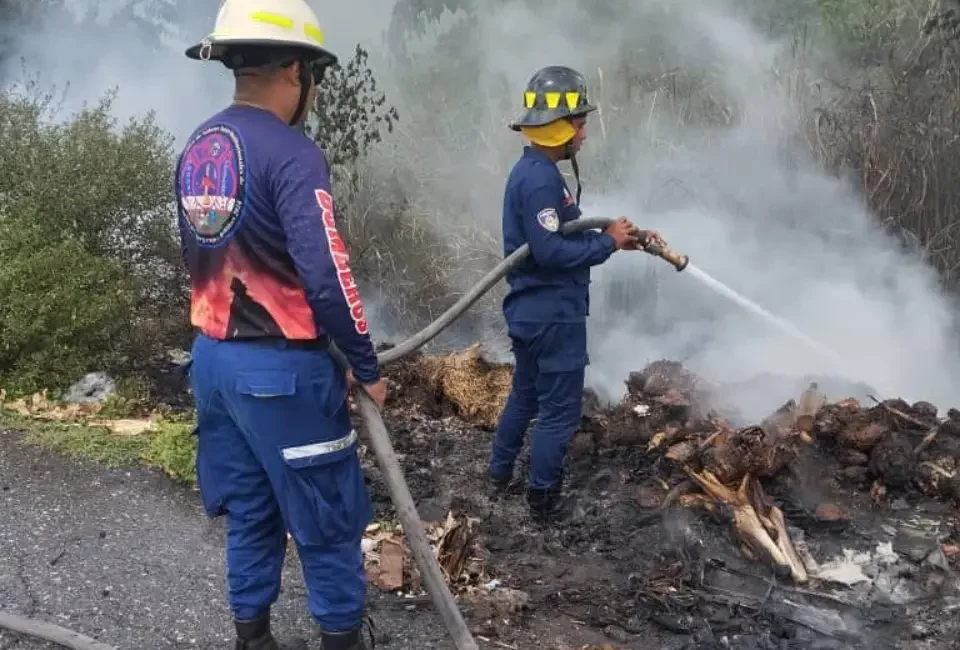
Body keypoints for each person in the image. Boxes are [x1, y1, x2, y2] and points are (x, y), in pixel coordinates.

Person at [176, 1, 385, 649]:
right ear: (296, 69)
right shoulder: (294, 154)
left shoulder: (201, 144)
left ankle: (253, 638)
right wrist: (364, 363)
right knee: (328, 519)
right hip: (281, 374)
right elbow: (326, 274)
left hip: (213, 362)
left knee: (250, 508)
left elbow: (198, 254)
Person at [487, 65, 662, 522]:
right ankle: (543, 503)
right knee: (560, 412)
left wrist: (618, 237)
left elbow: (561, 233)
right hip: (553, 315)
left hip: (531, 312)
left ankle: (497, 476)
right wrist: (607, 245)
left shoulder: (532, 171)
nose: (584, 134)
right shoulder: (542, 179)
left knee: (525, 395)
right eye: (580, 125)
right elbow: (549, 251)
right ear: (559, 127)